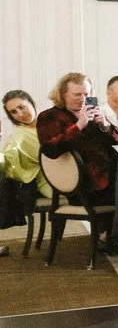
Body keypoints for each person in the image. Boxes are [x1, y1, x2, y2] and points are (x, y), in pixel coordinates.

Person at [37, 72, 118, 201]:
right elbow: (50, 150)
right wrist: (79, 126)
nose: (83, 99)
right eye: (77, 94)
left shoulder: (92, 112)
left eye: (86, 94)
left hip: (112, 176)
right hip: (85, 185)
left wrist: (104, 124)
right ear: (63, 94)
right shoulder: (49, 116)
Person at [1, 91, 50, 254]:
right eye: (13, 112)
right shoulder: (19, 136)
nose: (20, 114)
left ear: (31, 102)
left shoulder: (51, 121)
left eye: (22, 107)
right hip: (50, 182)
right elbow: (8, 157)